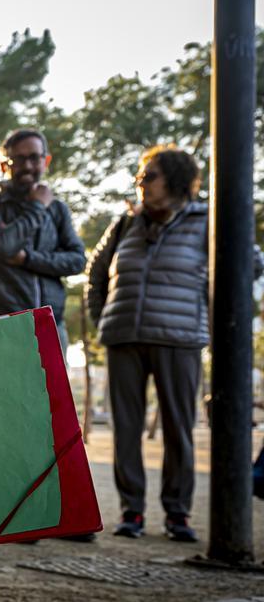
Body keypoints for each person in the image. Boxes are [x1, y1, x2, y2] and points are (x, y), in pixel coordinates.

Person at [86, 145, 208, 542]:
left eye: (149, 176)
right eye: (139, 176)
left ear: (174, 179)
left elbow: (248, 263)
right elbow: (96, 274)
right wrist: (103, 318)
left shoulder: (206, 221)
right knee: (126, 428)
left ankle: (178, 514)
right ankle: (131, 511)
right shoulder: (125, 224)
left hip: (179, 338)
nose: (141, 182)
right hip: (124, 338)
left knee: (178, 428)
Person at [0, 128, 86, 352]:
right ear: (4, 165)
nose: (28, 166)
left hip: (50, 324)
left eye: (34, 157)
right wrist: (37, 207)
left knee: (53, 378)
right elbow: (2, 246)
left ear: (46, 160)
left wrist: (27, 258)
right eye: (19, 159)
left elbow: (77, 260)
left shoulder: (58, 209)